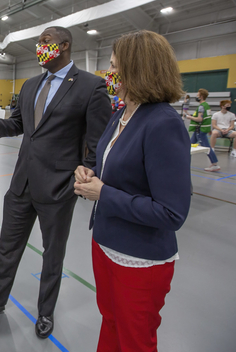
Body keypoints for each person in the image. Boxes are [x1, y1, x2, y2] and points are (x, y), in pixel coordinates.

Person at [0, 26, 111, 339]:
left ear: (64, 46)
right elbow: (18, 123)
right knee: (7, 247)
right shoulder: (31, 85)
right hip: (21, 182)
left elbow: (96, 139)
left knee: (52, 254)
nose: (39, 48)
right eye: (38, 43)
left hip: (57, 188)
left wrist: (87, 170)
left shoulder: (91, 87)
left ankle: (45, 311)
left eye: (45, 42)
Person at [74, 30, 191, 352]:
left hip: (139, 258)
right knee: (110, 322)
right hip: (106, 243)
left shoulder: (163, 123)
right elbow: (116, 168)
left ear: (137, 71)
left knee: (135, 338)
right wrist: (91, 173)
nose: (109, 75)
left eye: (114, 68)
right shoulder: (122, 114)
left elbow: (172, 213)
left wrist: (103, 193)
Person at [184, 88, 219, 171]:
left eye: (197, 95)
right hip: (201, 129)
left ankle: (214, 164)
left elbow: (200, 119)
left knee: (206, 147)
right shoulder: (207, 106)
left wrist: (189, 117)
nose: (196, 96)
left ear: (201, 97)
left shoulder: (201, 107)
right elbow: (207, 118)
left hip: (200, 130)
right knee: (188, 144)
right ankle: (184, 162)